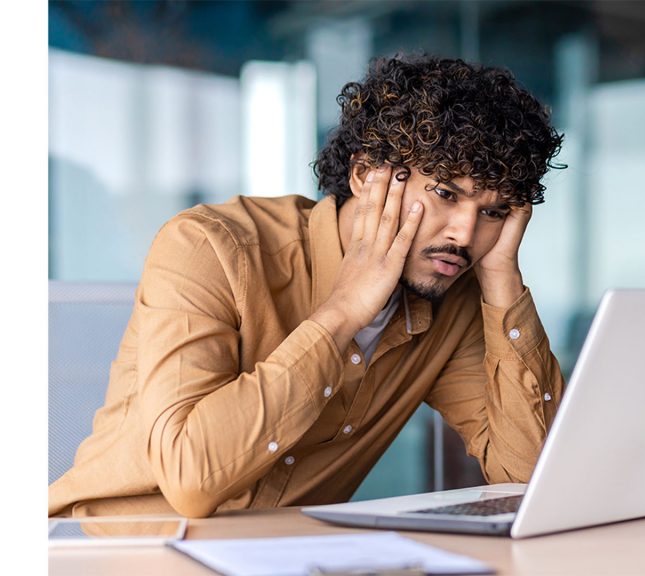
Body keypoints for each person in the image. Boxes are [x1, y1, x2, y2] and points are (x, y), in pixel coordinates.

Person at [49, 55, 566, 519]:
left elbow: (531, 480)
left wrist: (502, 279)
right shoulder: (211, 247)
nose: (465, 234)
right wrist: (342, 313)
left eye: (493, 212)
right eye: (447, 193)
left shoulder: (448, 297)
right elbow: (190, 477)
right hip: (114, 551)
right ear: (367, 174)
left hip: (285, 558)